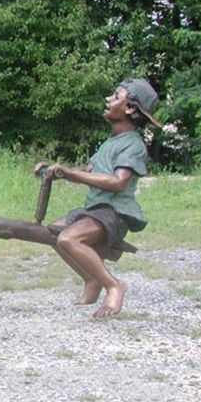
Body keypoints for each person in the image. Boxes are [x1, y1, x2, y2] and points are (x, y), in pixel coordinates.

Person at [36, 78, 161, 318]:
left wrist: (72, 174)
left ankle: (113, 285)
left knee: (68, 239)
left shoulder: (133, 145)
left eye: (116, 96)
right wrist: (58, 171)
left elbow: (118, 182)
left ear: (130, 108)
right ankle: (91, 278)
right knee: (54, 232)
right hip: (96, 209)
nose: (108, 99)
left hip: (113, 212)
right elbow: (89, 171)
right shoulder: (109, 143)